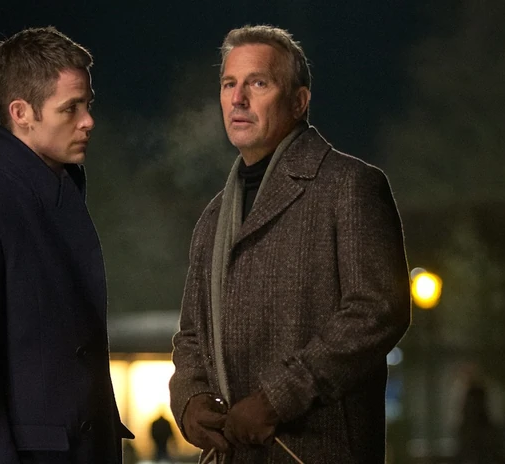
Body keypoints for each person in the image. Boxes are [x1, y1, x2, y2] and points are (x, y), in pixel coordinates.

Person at [169, 24, 411, 463]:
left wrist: (277, 399)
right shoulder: (213, 218)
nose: (238, 99)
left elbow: (378, 310)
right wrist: (190, 398)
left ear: (299, 102)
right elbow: (191, 334)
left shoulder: (349, 186)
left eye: (258, 83)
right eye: (229, 84)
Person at [0, 26, 132, 463]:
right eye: (70, 108)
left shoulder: (60, 200)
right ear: (21, 112)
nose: (88, 121)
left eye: (88, 104)